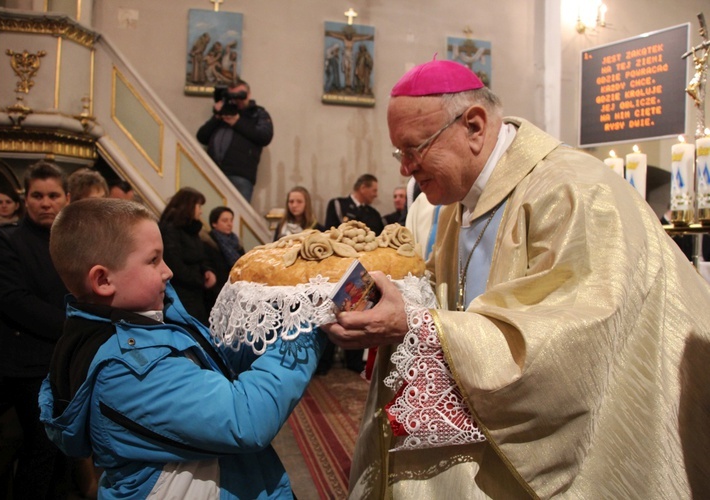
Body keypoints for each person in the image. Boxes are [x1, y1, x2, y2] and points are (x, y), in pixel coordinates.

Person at [324, 59, 710, 498]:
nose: (405, 169)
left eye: (415, 149)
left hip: (600, 429)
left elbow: (573, 344)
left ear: (474, 126)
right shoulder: (458, 199)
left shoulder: (574, 191)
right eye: (400, 153)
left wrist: (417, 326)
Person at [38, 197, 325, 498]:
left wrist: (272, 321)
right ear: (103, 279)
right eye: (153, 260)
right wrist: (307, 324)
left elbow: (218, 367)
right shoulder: (125, 369)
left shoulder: (147, 322)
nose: (168, 271)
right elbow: (246, 418)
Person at [0, 160, 70, 499]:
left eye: (53, 195)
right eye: (38, 195)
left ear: (66, 198)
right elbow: (13, 300)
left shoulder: (71, 242)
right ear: (25, 199)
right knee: (40, 452)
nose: (46, 203)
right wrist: (75, 328)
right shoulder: (6, 240)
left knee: (65, 452)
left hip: (66, 360)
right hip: (28, 364)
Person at [321, 174, 383, 374]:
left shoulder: (373, 213)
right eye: (373, 190)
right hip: (337, 270)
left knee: (358, 314)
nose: (376, 194)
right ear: (363, 187)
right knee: (331, 313)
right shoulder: (338, 205)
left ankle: (354, 363)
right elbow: (329, 233)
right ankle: (325, 363)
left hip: (362, 273)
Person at [196, 80, 273, 203]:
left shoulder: (257, 113)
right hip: (213, 171)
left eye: (240, 95)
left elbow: (265, 136)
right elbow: (202, 137)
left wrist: (237, 122)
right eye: (233, 95)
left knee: (238, 217)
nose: (237, 100)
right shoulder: (223, 113)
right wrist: (217, 116)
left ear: (248, 94)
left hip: (240, 175)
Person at [159, 187, 216, 325]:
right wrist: (200, 280)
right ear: (189, 206)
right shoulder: (170, 229)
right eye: (199, 206)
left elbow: (200, 256)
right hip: (180, 293)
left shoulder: (191, 229)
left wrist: (207, 270)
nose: (201, 211)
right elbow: (174, 264)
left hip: (195, 293)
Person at [205, 206, 244, 309]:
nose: (229, 224)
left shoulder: (236, 242)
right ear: (214, 223)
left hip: (238, 289)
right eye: (225, 220)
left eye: (231, 220)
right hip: (218, 293)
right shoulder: (209, 242)